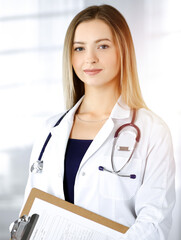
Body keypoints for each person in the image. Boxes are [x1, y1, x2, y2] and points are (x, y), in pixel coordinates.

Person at [23, 4, 175, 240]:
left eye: (103, 46)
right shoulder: (50, 131)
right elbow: (31, 218)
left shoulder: (152, 131)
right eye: (79, 48)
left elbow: (154, 223)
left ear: (122, 51)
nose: (90, 58)